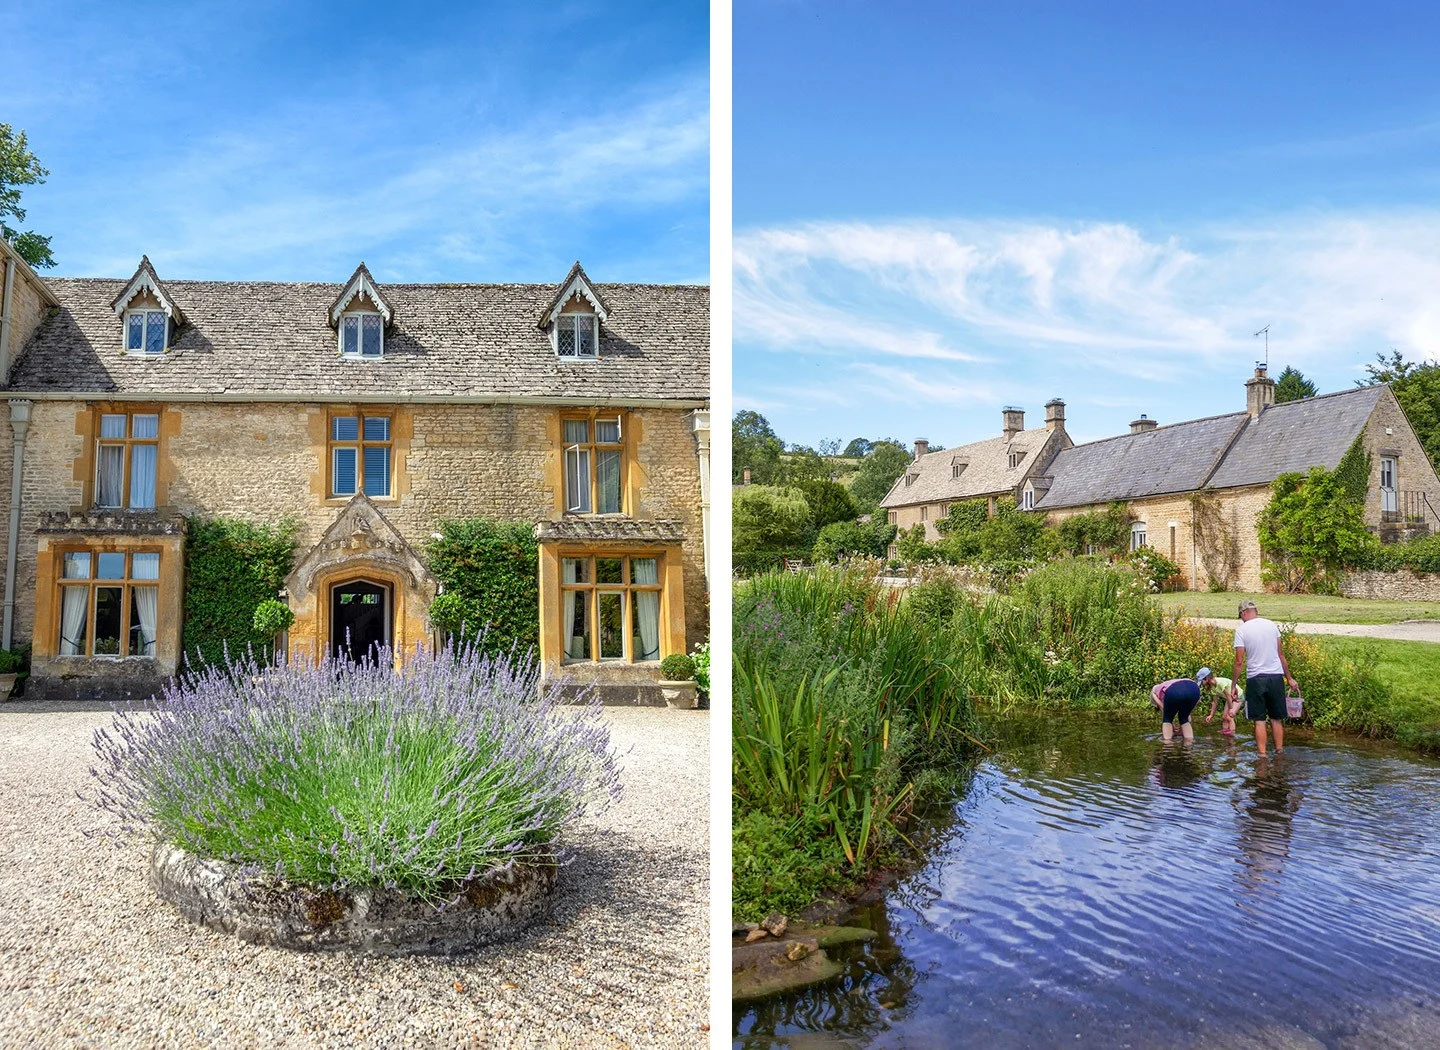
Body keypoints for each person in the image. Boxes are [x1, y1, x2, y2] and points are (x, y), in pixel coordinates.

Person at [1231, 600, 1299, 756]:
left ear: (1243, 613)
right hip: (1276, 677)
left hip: (1256, 678)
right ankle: (1279, 753)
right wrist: (1289, 678)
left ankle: (1262, 756)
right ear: (1256, 611)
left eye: (1241, 616)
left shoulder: (1242, 630)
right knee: (1276, 719)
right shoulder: (1271, 625)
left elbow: (1239, 661)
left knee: (1260, 720)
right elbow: (1281, 655)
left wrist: (1233, 685)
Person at [1150, 676, 1200, 742]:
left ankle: (1168, 746)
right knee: (1184, 718)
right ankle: (1188, 746)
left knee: (1167, 719)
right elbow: (1197, 701)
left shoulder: (1154, 691)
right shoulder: (1166, 685)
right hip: (1195, 689)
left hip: (1174, 690)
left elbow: (1164, 709)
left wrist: (1172, 727)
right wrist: (1180, 728)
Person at [1199, 666, 1241, 736]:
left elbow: (1228, 696)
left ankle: (1232, 736)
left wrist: (1231, 709)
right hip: (1230, 698)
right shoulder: (1213, 687)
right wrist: (1211, 715)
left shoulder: (1219, 683)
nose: (1201, 684)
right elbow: (1215, 702)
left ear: (1207, 678)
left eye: (1201, 681)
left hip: (1238, 696)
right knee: (1224, 717)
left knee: (1229, 717)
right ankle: (1225, 734)